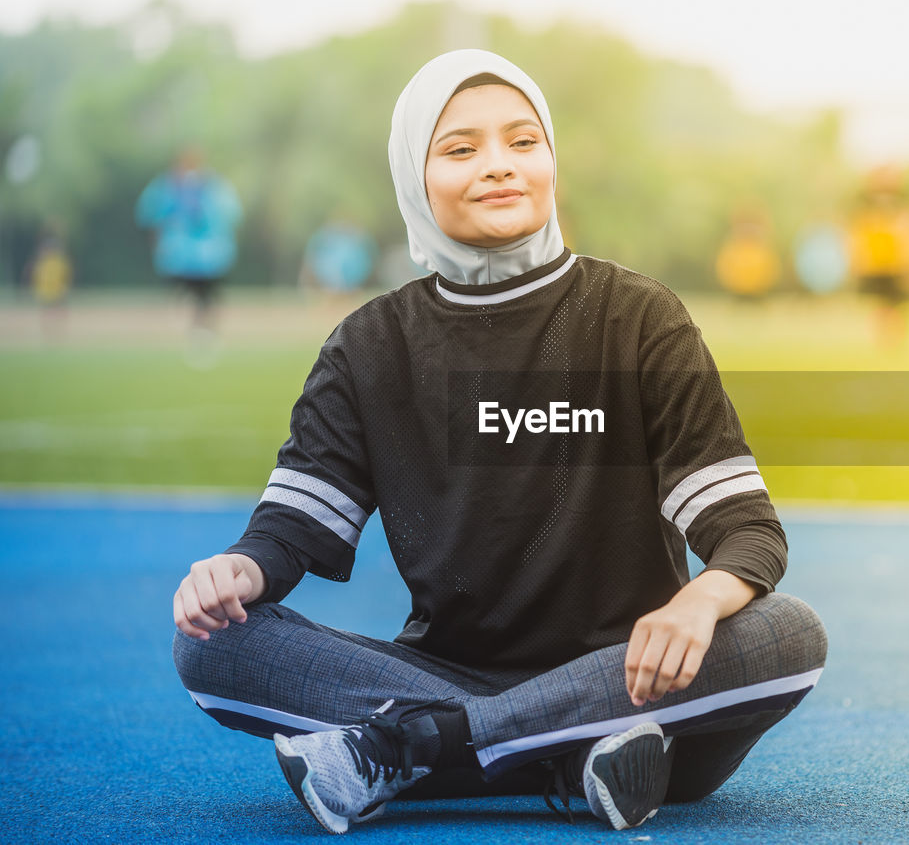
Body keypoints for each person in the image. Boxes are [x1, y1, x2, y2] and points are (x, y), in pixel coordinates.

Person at [171, 49, 827, 835]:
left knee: (791, 632)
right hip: (452, 676)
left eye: (523, 142)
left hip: (638, 680)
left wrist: (698, 603)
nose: (499, 167)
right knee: (210, 645)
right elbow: (290, 531)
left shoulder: (638, 317)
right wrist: (233, 570)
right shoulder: (371, 345)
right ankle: (563, 758)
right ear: (415, 177)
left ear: (552, 158)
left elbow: (748, 534)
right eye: (460, 149)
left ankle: (417, 749)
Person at [135, 146, 243, 347]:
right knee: (194, 294)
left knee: (205, 295)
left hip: (207, 257)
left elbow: (230, 214)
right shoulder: (169, 187)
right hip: (184, 257)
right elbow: (150, 214)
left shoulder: (212, 187)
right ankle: (197, 327)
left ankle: (202, 329)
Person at [847, 165, 909, 349]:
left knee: (899, 303)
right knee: (879, 302)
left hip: (900, 262)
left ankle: (897, 338)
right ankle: (883, 338)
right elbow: (854, 232)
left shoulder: (907, 202)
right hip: (875, 262)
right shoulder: (863, 202)